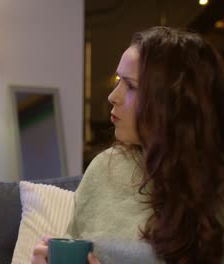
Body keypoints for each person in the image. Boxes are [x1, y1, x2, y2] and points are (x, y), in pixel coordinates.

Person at [32, 26, 224, 263]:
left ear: (174, 102)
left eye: (131, 86)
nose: (113, 96)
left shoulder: (214, 188)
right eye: (118, 81)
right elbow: (74, 246)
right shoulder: (105, 168)